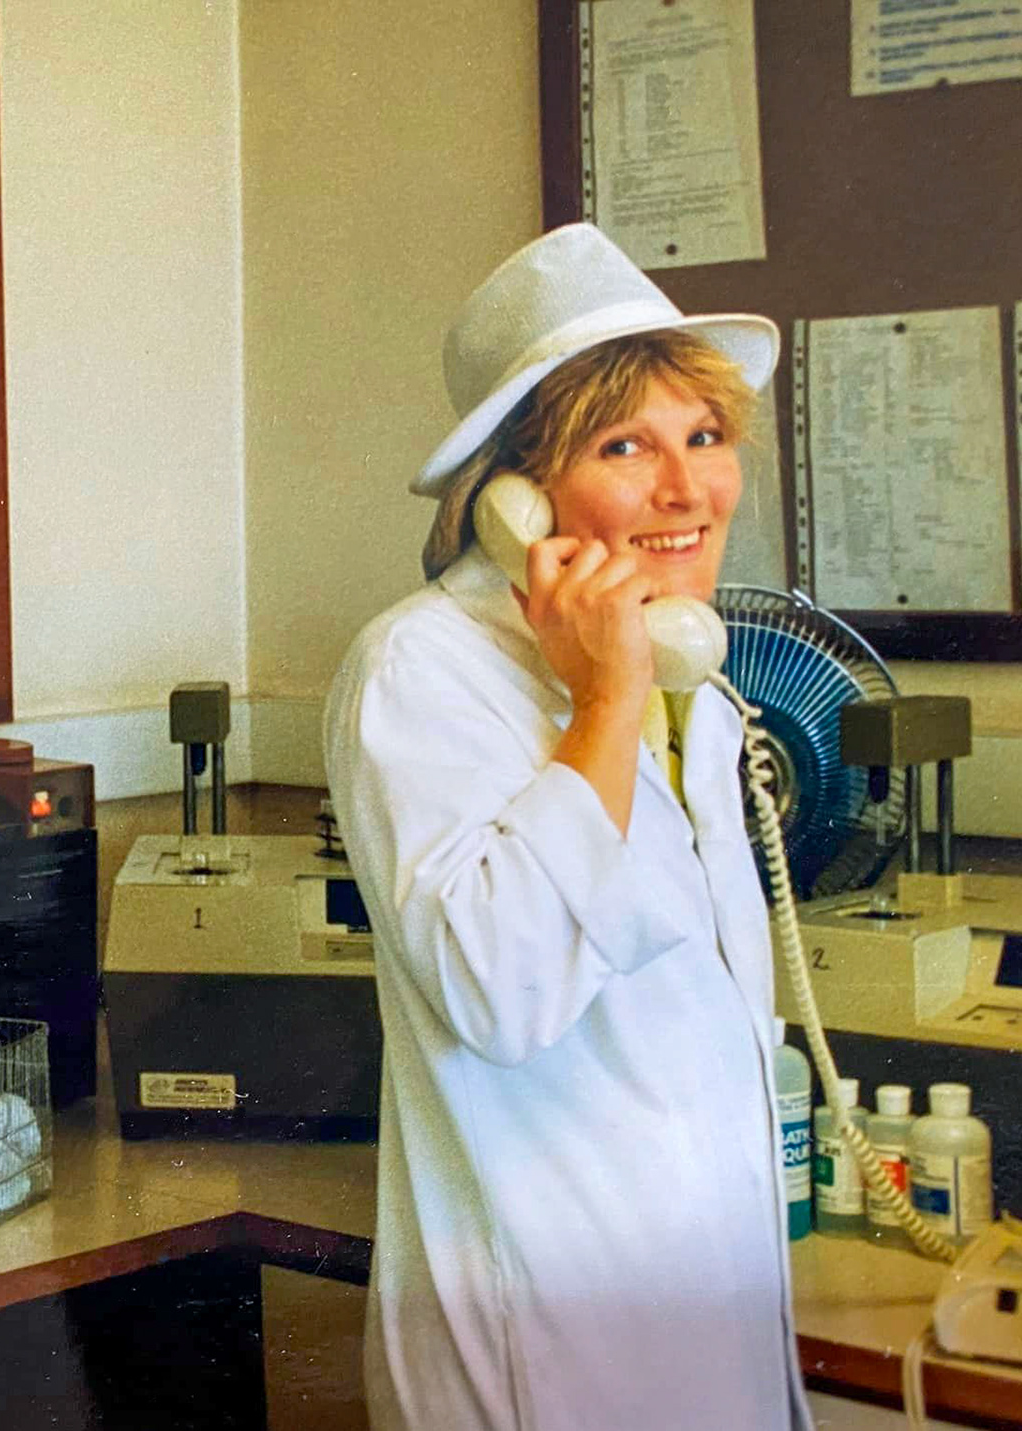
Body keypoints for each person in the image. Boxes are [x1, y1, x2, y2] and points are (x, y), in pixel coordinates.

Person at [323, 223, 811, 1430]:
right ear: (517, 495)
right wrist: (600, 703)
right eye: (625, 445)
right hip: (540, 1361)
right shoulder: (418, 671)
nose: (688, 489)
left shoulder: (685, 680)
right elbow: (500, 992)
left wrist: (627, 685)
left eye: (705, 438)